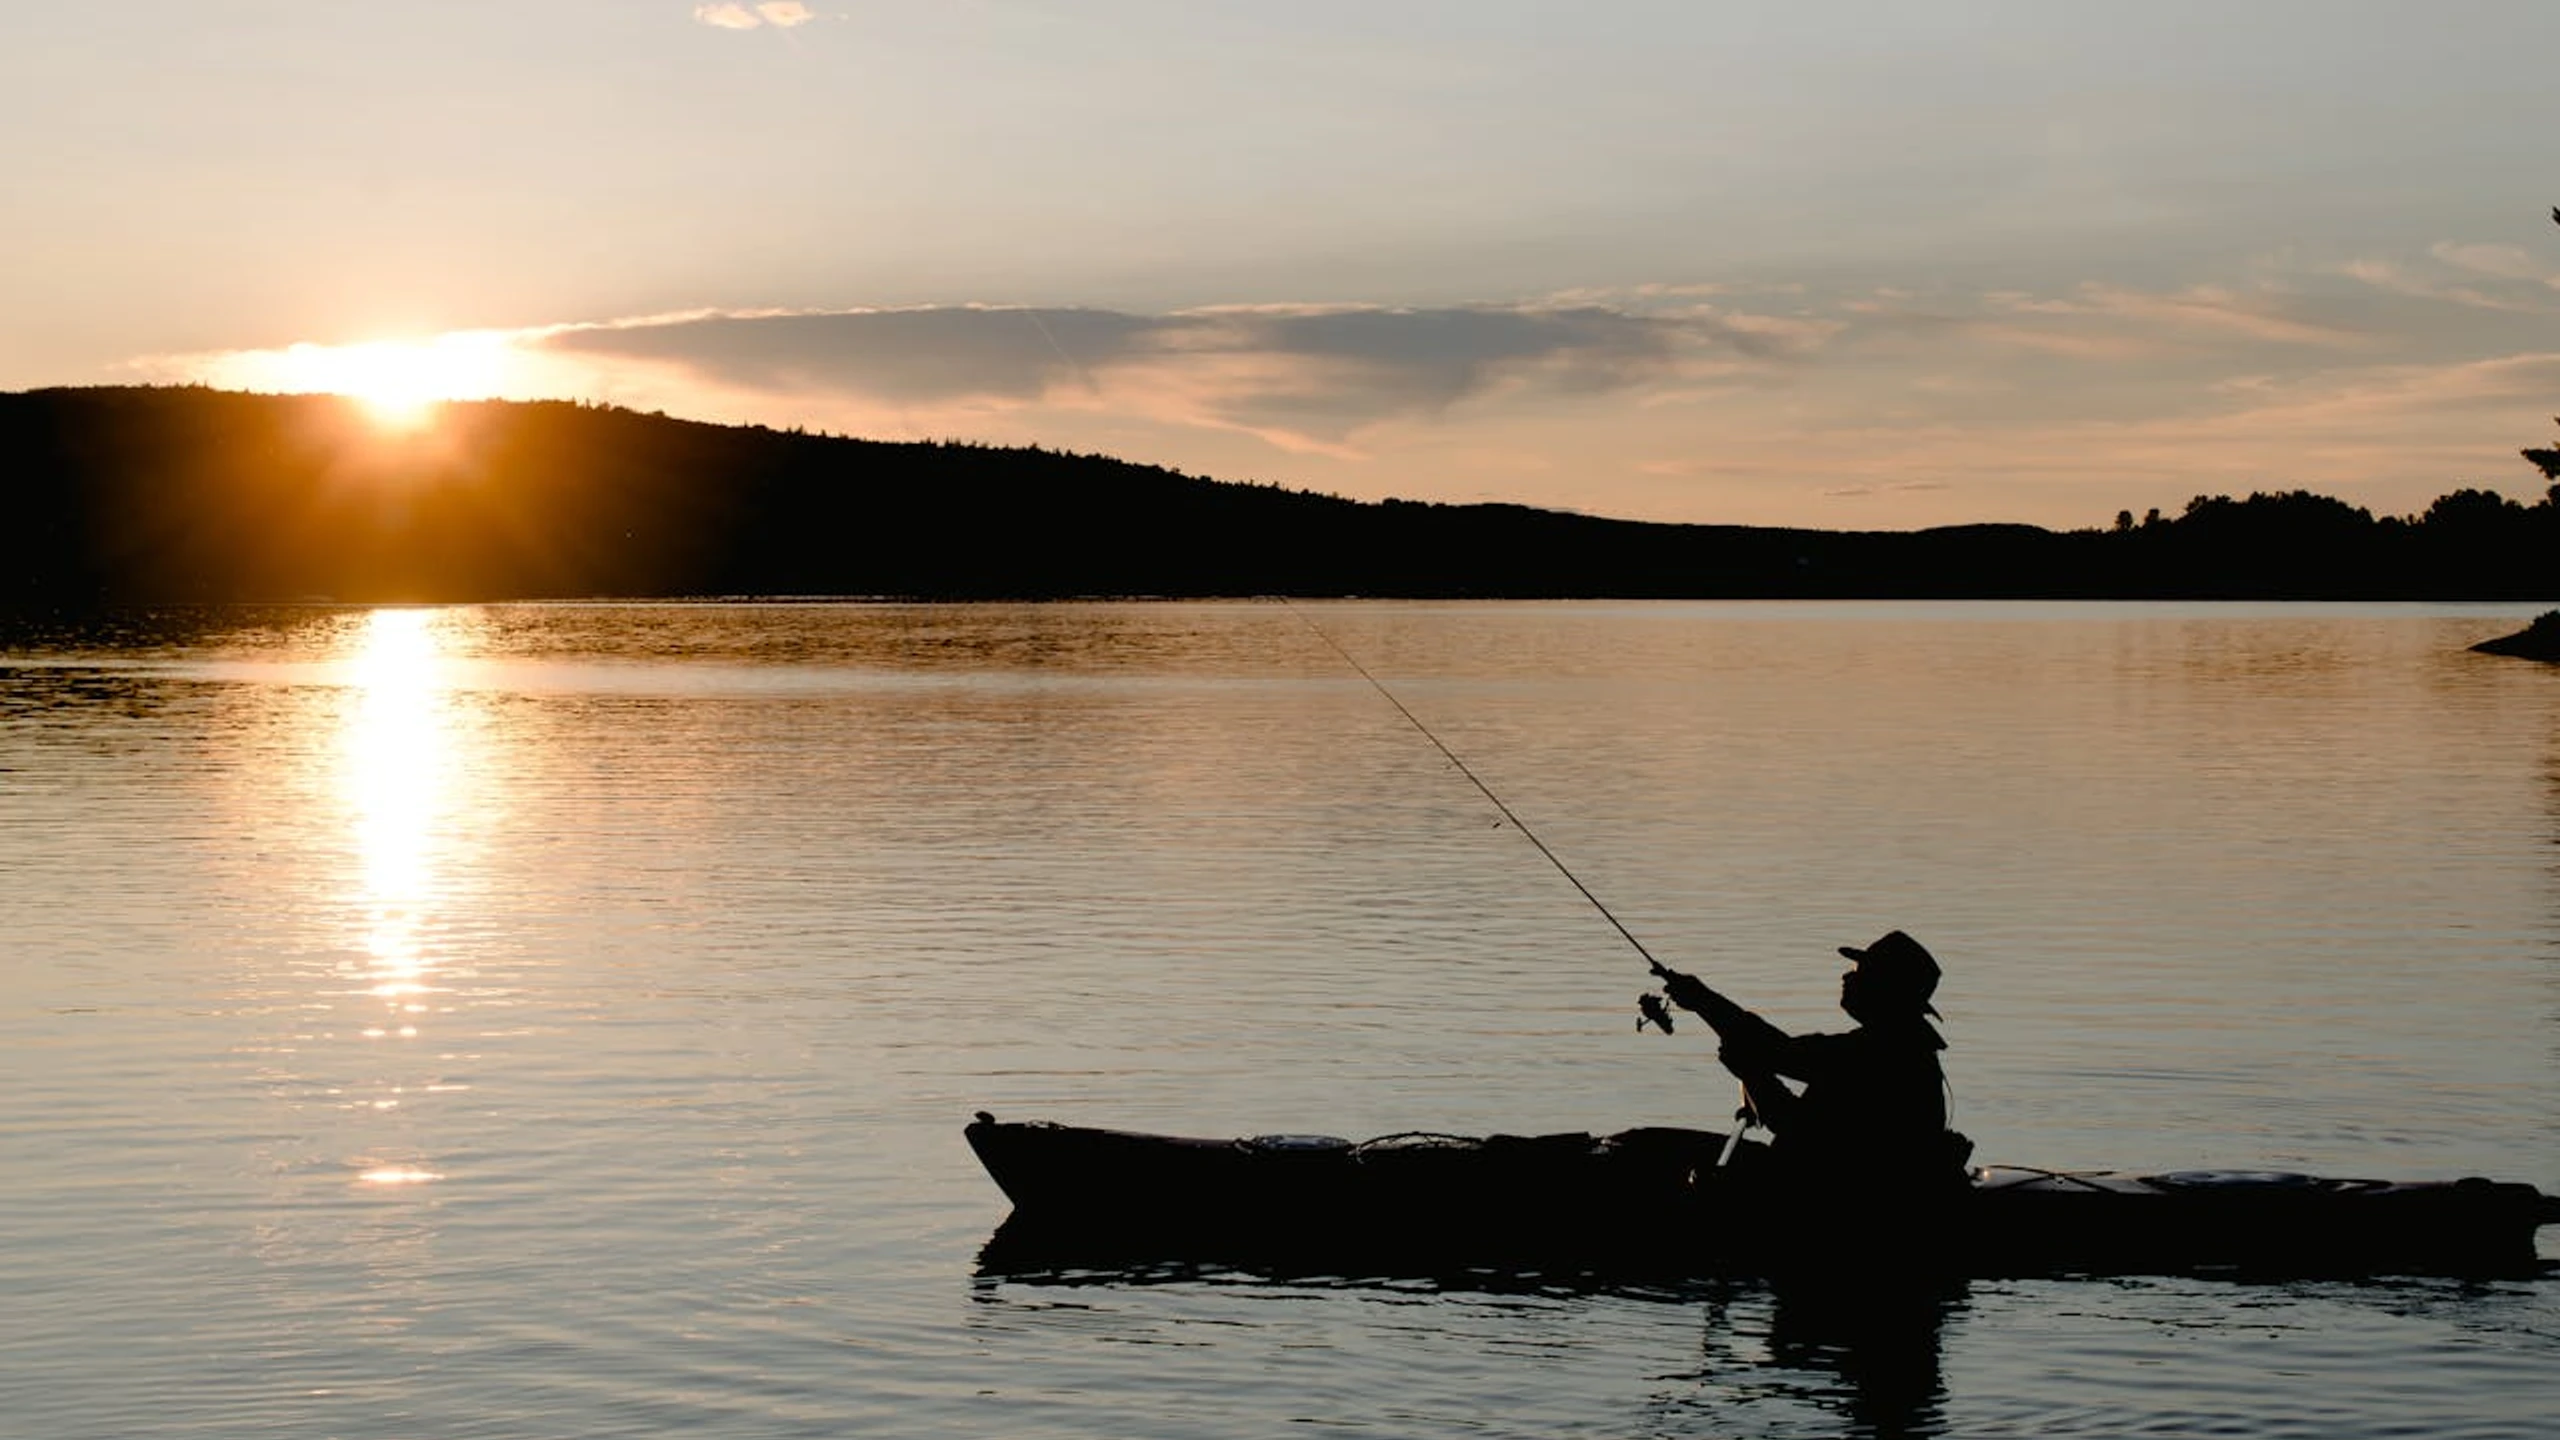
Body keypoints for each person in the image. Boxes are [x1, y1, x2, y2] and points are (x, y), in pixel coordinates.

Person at [1655, 930, 1969, 1189]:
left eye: (1861, 972)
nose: (1848, 976)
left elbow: (1793, 1123)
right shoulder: (1903, 1048)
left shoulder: (1871, 1054)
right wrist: (1706, 1004)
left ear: (1884, 990)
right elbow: (1775, 1052)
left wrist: (1751, 1072)